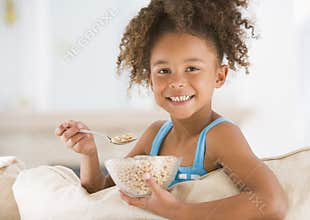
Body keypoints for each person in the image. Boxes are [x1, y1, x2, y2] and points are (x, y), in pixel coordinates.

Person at [55, 0, 288, 219]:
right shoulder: (155, 135)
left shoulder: (220, 136)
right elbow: (101, 193)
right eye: (164, 71)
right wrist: (89, 153)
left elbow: (272, 203)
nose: (177, 82)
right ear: (150, 80)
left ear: (219, 75)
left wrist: (178, 211)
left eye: (192, 68)